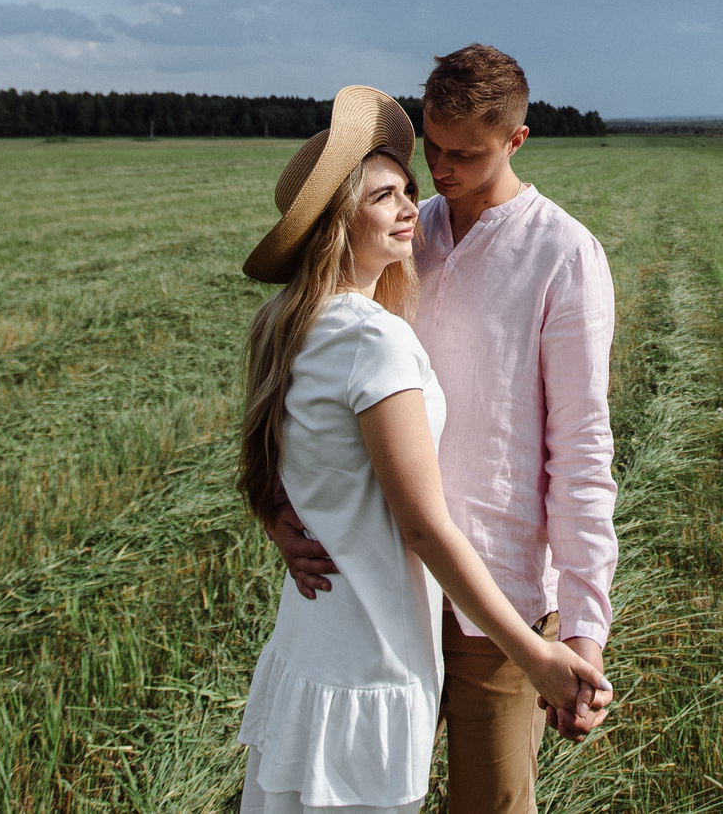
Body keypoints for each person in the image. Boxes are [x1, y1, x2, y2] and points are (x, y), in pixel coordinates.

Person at [236, 85, 607, 814]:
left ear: (516, 140)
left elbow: (584, 451)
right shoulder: (372, 328)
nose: (424, 189)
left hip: (394, 621)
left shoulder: (295, 322)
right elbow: (414, 519)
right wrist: (276, 511)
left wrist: (583, 623)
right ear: (338, 219)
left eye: (426, 174)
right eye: (392, 189)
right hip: (376, 635)